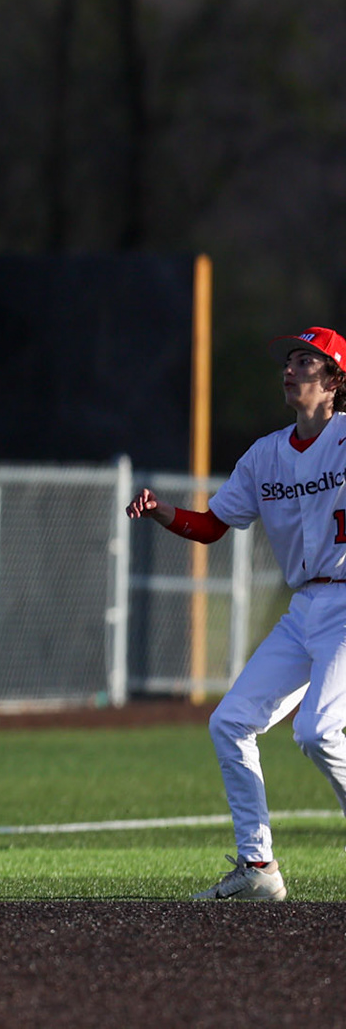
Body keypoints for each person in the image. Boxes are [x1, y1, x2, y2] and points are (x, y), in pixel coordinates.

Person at [127, 325, 346, 902]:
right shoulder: (266, 455)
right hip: (307, 609)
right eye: (290, 361)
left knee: (319, 732)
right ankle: (258, 868)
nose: (291, 369)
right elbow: (211, 526)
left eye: (306, 361)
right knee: (230, 722)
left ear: (334, 380)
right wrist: (162, 512)